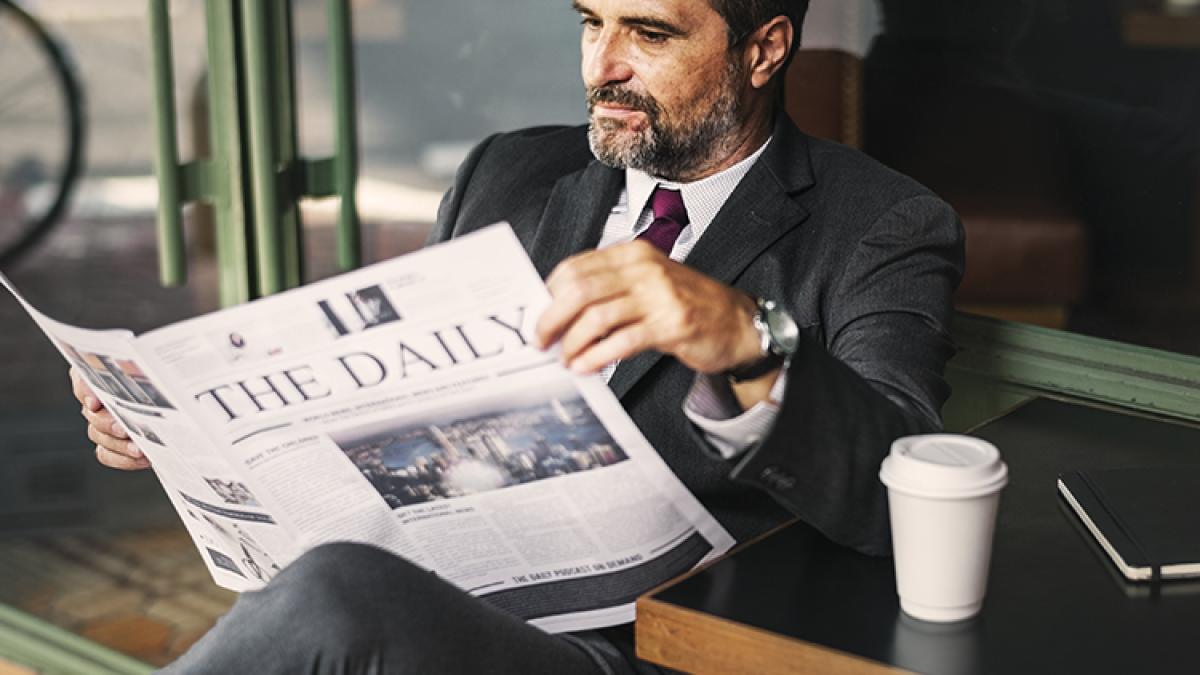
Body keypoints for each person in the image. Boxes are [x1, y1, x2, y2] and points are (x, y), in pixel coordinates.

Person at [71, 0, 963, 672]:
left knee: (331, 595)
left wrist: (742, 340)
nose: (602, 65)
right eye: (590, 22)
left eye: (650, 35)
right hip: (447, 589)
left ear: (763, 50)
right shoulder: (505, 171)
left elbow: (902, 490)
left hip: (633, 644)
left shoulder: (877, 223)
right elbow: (389, 396)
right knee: (316, 599)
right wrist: (181, 421)